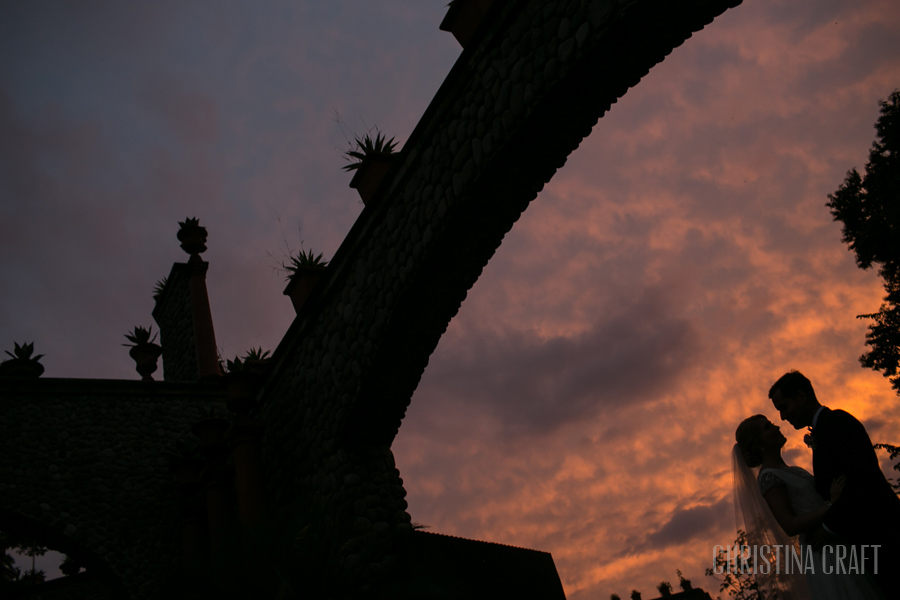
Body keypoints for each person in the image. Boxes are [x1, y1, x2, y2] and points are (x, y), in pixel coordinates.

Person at [769, 370, 900, 598]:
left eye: (784, 407)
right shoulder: (825, 430)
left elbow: (860, 481)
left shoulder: (837, 423)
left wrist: (828, 527)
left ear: (801, 397)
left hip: (884, 535)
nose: (782, 417)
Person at [734, 415, 884, 599]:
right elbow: (790, 525)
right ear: (759, 444)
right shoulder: (769, 477)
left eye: (772, 424)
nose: (776, 427)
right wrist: (830, 505)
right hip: (823, 551)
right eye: (768, 427)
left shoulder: (792, 470)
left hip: (836, 541)